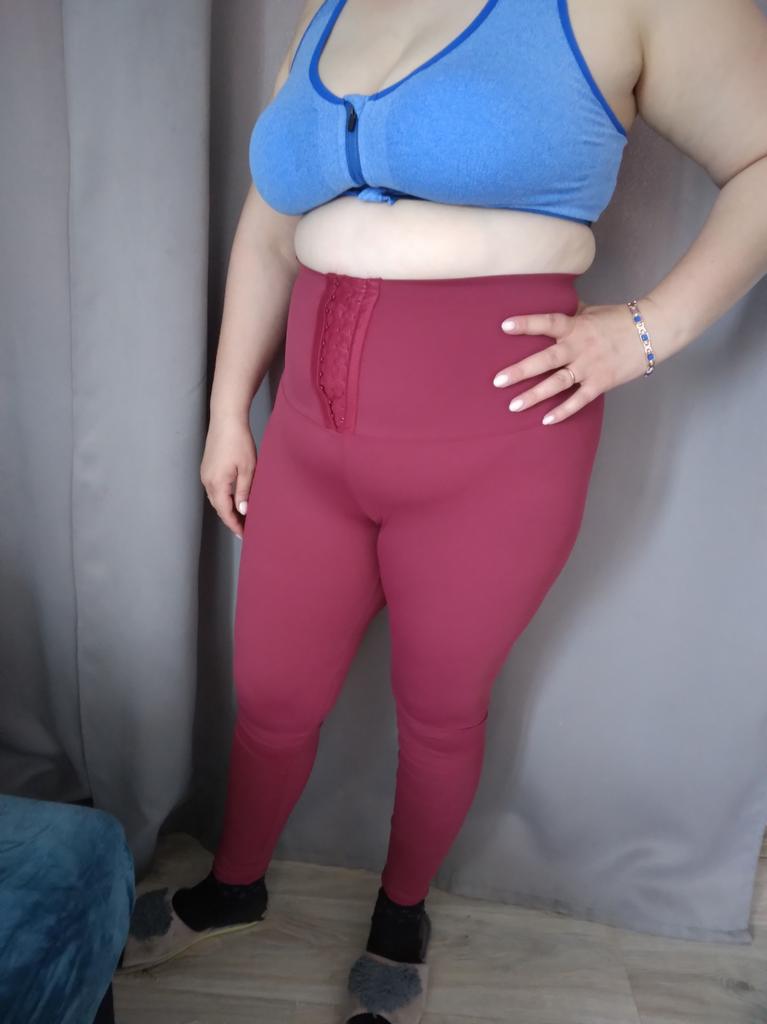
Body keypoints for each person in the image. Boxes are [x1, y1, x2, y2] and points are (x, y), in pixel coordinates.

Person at [119, 1, 767, 1021]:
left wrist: (645, 331)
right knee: (272, 693)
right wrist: (225, 411)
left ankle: (399, 919)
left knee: (439, 705)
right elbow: (270, 226)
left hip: (496, 458)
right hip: (307, 441)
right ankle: (232, 888)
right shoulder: (327, 10)